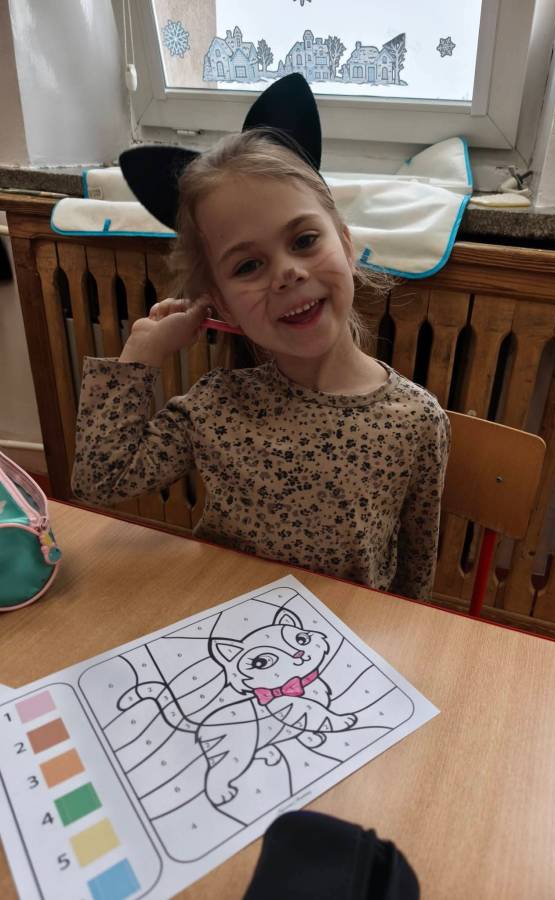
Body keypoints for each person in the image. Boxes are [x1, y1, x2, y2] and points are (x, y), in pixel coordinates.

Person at [71, 75, 449, 600]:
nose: (287, 272)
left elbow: (416, 575)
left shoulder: (417, 420)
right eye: (248, 265)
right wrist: (142, 352)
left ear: (346, 245)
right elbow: (100, 481)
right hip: (226, 630)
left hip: (345, 641)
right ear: (222, 304)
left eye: (305, 240)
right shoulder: (217, 406)